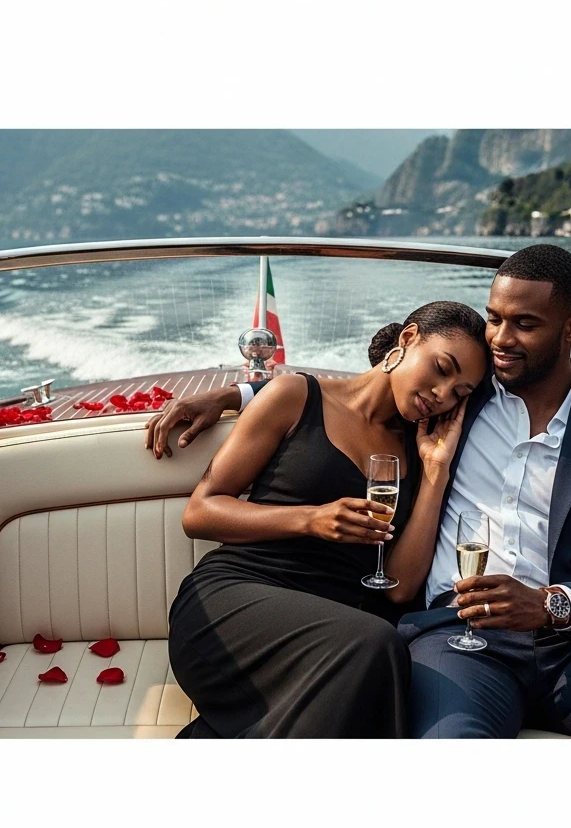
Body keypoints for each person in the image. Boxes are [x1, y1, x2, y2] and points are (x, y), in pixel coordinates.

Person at [150, 245, 571, 739]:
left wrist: (551, 604)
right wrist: (234, 392)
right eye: (494, 318)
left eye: (524, 323)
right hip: (457, 642)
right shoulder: (454, 395)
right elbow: (363, 389)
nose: (500, 338)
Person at [165, 301, 489, 737]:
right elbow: (200, 511)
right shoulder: (295, 396)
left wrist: (435, 474)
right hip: (238, 600)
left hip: (337, 633)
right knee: (374, 645)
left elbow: (400, 588)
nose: (442, 394)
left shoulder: (421, 448)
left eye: (460, 392)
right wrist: (310, 519)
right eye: (441, 368)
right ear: (408, 339)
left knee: (373, 646)